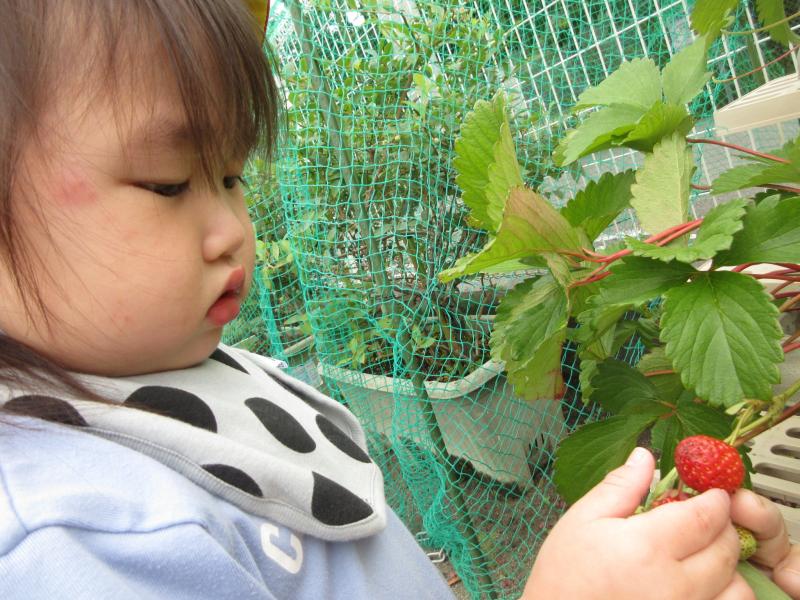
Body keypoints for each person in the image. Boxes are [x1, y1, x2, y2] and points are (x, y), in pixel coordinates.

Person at [0, 1, 796, 598]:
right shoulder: (67, 546)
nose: (233, 230)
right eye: (168, 182)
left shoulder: (187, 372)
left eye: (232, 177)